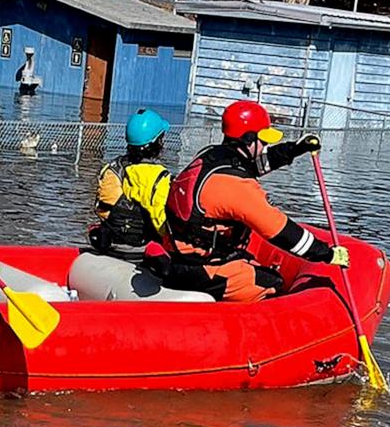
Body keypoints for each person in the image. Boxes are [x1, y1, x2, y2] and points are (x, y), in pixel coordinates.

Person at [148, 100, 349, 303]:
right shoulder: (237, 186)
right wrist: (327, 253)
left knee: (250, 263)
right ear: (248, 140)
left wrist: (295, 149)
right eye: (263, 140)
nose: (266, 145)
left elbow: (258, 163)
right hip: (200, 268)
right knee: (272, 282)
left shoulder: (210, 156)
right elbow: (282, 232)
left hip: (179, 255)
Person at [88, 108, 173, 260]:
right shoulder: (159, 177)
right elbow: (162, 227)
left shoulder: (112, 168)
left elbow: (102, 210)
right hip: (140, 250)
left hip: (110, 244)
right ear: (157, 142)